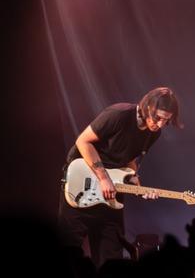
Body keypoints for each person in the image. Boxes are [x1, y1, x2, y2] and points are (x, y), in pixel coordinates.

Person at [59, 87, 182, 267]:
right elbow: (83, 141)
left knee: (111, 259)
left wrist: (137, 184)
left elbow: (130, 158)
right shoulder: (119, 114)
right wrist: (103, 178)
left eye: (166, 120)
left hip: (111, 194)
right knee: (68, 252)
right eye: (158, 117)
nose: (161, 124)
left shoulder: (153, 133)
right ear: (147, 107)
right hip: (82, 184)